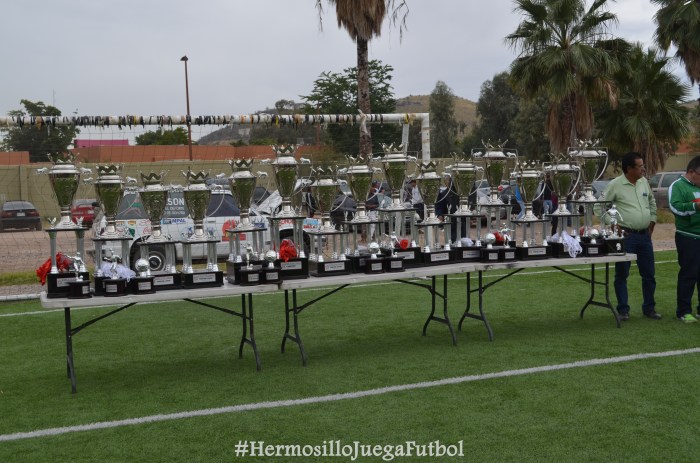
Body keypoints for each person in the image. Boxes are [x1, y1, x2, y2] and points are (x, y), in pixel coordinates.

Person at [597, 151, 660, 321]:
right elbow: (598, 207)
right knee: (622, 274)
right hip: (626, 236)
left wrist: (652, 220)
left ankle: (649, 309)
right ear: (629, 169)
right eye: (640, 167)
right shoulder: (615, 185)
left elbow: (652, 202)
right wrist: (613, 223)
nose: (643, 169)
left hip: (645, 236)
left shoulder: (644, 182)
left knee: (649, 275)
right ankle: (623, 310)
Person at [668, 155, 700, 323]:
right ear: (692, 172)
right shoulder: (678, 186)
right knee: (689, 274)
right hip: (688, 237)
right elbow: (675, 207)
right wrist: (695, 206)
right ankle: (684, 311)